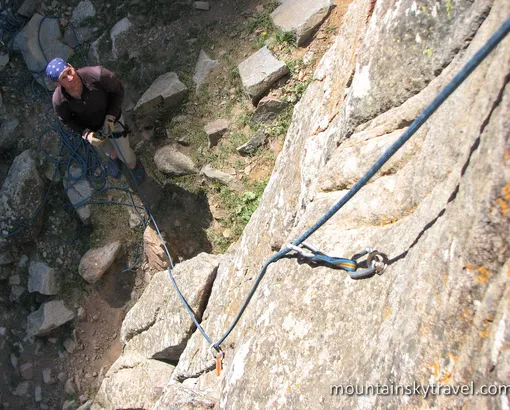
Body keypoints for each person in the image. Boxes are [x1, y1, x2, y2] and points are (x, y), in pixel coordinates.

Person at [45, 57, 144, 183]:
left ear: (71, 66)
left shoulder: (98, 75)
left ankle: (132, 164)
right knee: (107, 149)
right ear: (58, 84)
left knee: (125, 155)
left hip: (113, 120)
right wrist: (86, 134)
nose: (70, 78)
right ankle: (113, 155)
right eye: (63, 77)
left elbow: (118, 91)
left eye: (69, 71)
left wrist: (110, 116)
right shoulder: (59, 101)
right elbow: (67, 120)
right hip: (93, 130)